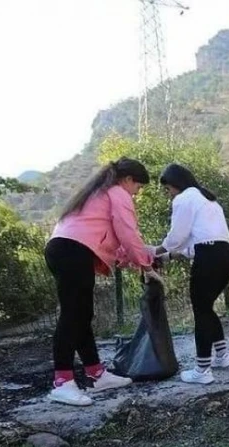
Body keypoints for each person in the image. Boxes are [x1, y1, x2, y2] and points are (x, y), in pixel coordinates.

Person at [44, 158, 161, 407]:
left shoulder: (98, 193)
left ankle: (96, 374)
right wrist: (146, 266)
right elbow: (128, 232)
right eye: (138, 187)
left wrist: (136, 260)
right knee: (72, 316)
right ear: (128, 180)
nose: (137, 193)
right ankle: (62, 382)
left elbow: (112, 241)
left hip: (66, 249)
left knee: (82, 315)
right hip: (72, 250)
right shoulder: (117, 192)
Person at [154, 164, 229, 385]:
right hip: (226, 256)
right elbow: (193, 244)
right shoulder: (207, 199)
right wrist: (167, 256)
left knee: (201, 312)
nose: (168, 194)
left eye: (167, 189)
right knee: (206, 308)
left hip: (208, 259)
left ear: (174, 184)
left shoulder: (183, 199)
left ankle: (202, 370)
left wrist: (156, 251)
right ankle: (222, 356)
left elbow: (176, 238)